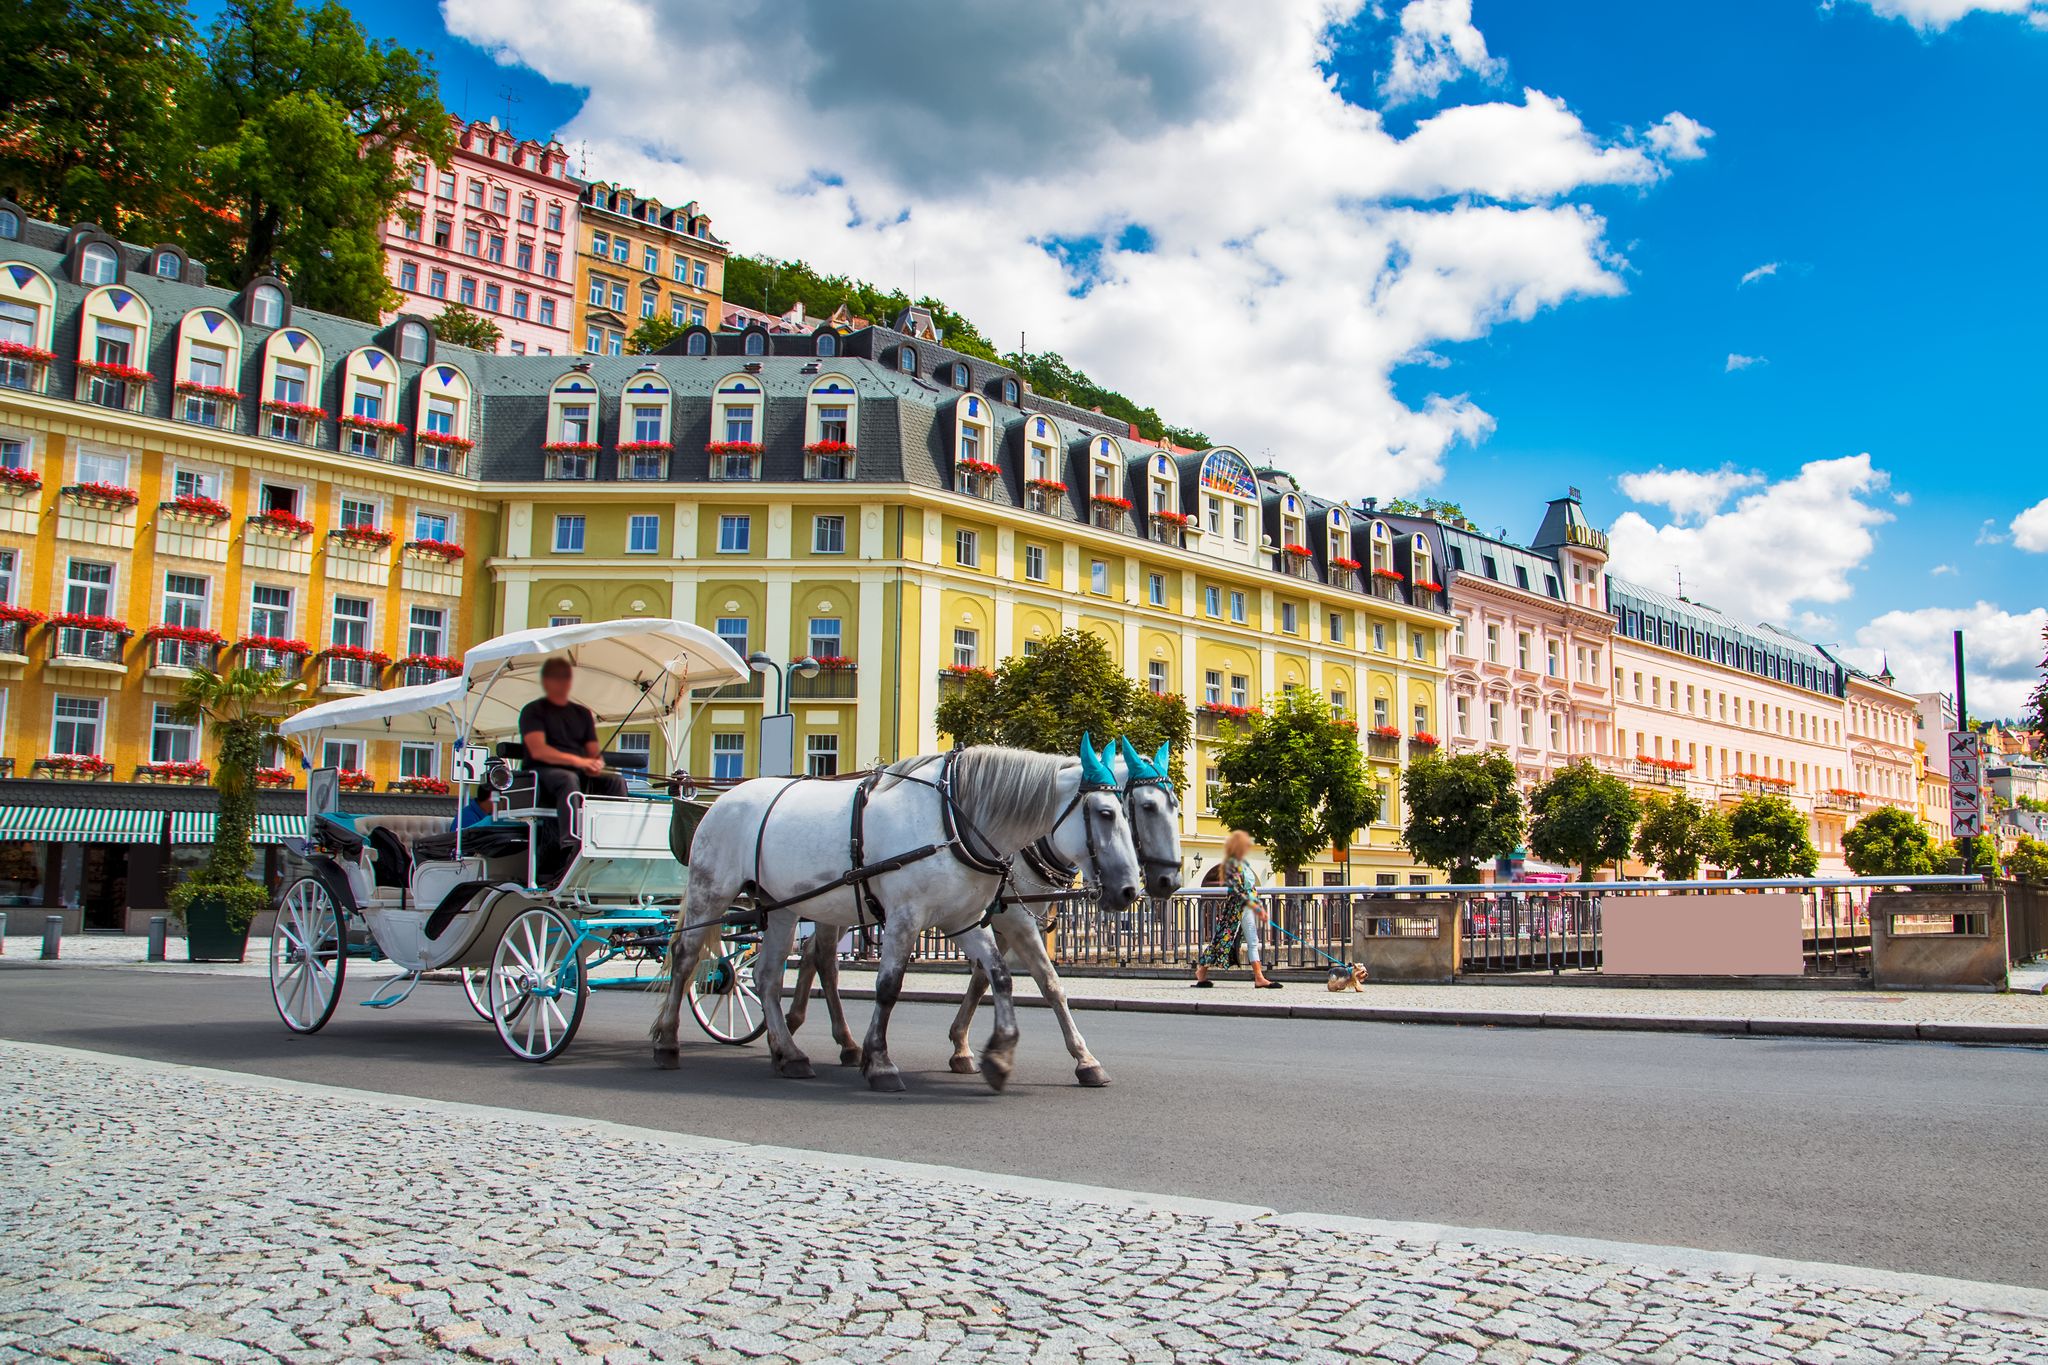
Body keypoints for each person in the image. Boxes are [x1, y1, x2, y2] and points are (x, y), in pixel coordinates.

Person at [518, 657, 627, 850]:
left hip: (578, 773)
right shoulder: (533, 711)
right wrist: (580, 762)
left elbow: (592, 749)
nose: (561, 682)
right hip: (543, 773)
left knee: (616, 781)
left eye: (565, 678)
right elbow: (539, 750)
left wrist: (595, 763)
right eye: (556, 678)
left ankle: (615, 836)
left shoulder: (582, 714)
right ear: (546, 681)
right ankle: (570, 839)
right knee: (566, 779)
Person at [1192, 830, 1279, 989]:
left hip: (1244, 907)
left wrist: (1257, 906)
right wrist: (1257, 908)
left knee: (1235, 940)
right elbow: (1239, 890)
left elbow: (1250, 888)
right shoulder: (1231, 864)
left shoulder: (1242, 863)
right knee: (1224, 941)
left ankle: (1258, 977)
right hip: (1236, 908)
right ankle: (1203, 971)